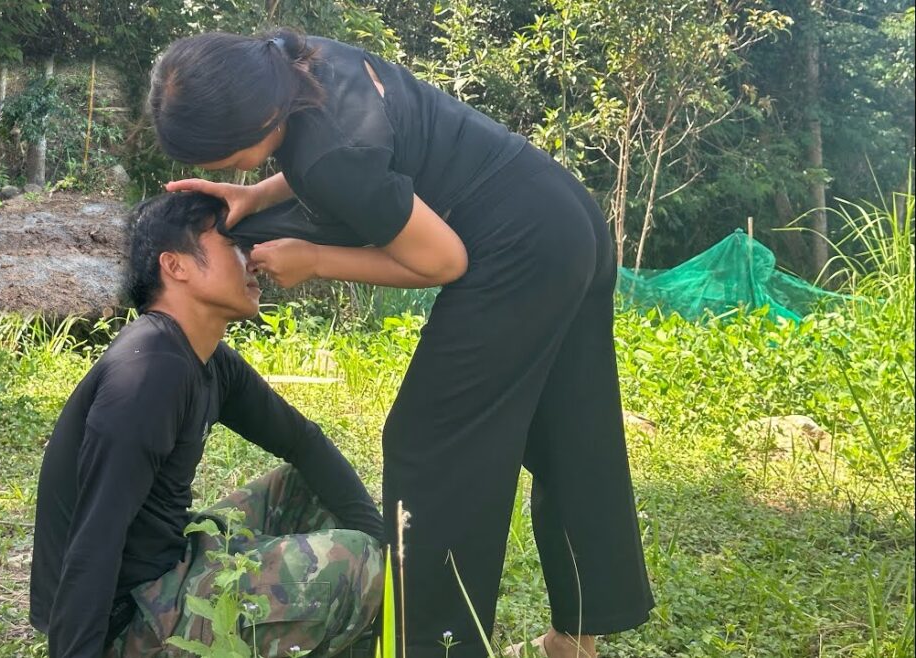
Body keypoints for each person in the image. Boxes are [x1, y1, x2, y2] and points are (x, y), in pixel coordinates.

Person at [147, 31, 654, 658]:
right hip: (562, 214)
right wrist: (256, 195)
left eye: (221, 159)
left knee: (429, 444)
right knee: (570, 430)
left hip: (513, 250)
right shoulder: (301, 60)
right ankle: (576, 637)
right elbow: (333, 154)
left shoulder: (330, 161)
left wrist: (314, 260)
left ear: (254, 117)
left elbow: (442, 260)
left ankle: (434, 646)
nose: (222, 170)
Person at [29, 191, 386, 658]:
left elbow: (303, 442)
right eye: (235, 244)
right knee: (353, 564)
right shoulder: (148, 374)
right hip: (128, 619)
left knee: (308, 486)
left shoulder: (206, 358)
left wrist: (389, 546)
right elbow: (94, 539)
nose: (253, 260)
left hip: (170, 561)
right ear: (176, 266)